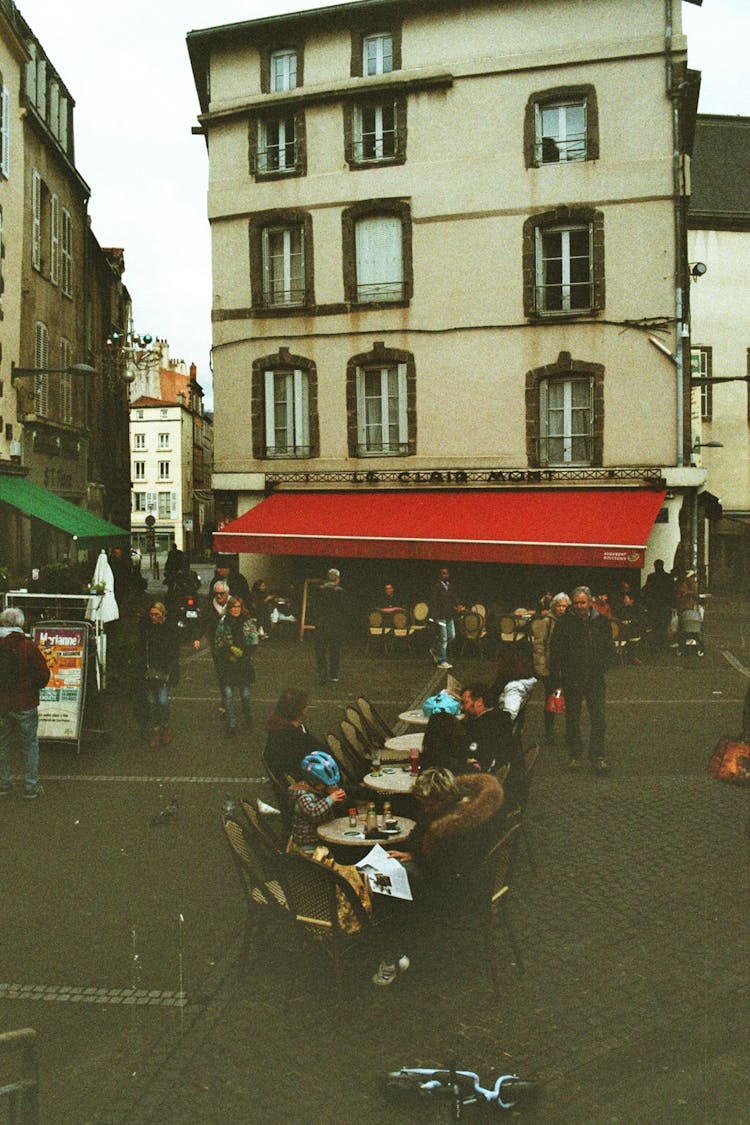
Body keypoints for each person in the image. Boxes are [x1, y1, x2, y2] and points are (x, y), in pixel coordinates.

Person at [372, 767, 505, 986]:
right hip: (462, 880)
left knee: (383, 885)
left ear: (445, 797)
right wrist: (414, 854)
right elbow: (424, 843)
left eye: (430, 804)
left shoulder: (452, 827)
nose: (426, 808)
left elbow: (442, 868)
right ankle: (392, 942)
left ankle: (391, 955)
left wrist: (414, 859)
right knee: (386, 877)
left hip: (455, 892)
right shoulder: (467, 809)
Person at [550, 585, 614, 775]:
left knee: (599, 718)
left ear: (590, 601)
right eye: (576, 603)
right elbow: (555, 651)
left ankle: (598, 755)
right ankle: (575, 756)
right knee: (572, 719)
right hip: (572, 678)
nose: (580, 606)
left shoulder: (601, 622)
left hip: (594, 677)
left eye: (583, 602)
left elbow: (608, 648)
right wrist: (558, 678)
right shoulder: (564, 623)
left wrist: (602, 666)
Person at [0, 607, 50, 799]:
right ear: (20, 624)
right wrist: (32, 688)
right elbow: (43, 675)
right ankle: (30, 786)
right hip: (25, 702)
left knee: (2, 744)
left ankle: (3, 783)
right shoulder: (28, 646)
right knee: (29, 744)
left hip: (2, 704)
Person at [460, 681, 529, 805]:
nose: (462, 708)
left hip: (494, 789)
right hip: (509, 783)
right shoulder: (498, 718)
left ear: (479, 702)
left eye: (465, 702)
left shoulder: (483, 727)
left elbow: (479, 762)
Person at [138, 601, 181, 748]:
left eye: (157, 615)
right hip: (149, 672)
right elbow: (142, 649)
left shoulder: (168, 630)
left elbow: (174, 652)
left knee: (162, 701)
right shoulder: (147, 630)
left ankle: (165, 727)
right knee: (151, 702)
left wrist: (171, 671)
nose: (153, 617)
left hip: (164, 671)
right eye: (151, 615)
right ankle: (156, 730)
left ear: (163, 615)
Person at [530, 592, 571, 744]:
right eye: (559, 606)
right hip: (551, 669)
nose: (562, 609)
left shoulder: (570, 622)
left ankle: (569, 732)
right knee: (551, 699)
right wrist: (542, 669)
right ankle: (549, 732)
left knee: (569, 701)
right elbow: (539, 646)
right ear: (554, 607)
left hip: (566, 669)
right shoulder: (547, 622)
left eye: (565, 606)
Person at [215, 596, 258, 736]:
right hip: (228, 663)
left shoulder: (247, 622)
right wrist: (229, 652)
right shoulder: (223, 622)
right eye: (233, 607)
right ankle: (231, 724)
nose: (235, 609)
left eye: (238, 606)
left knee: (245, 694)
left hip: (243, 663)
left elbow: (254, 641)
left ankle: (248, 716)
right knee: (228, 695)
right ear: (229, 608)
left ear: (242, 607)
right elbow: (218, 642)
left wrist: (243, 652)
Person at [289, 751, 347, 852]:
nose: (327, 787)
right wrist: (330, 799)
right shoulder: (303, 797)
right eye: (324, 784)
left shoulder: (319, 789)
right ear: (312, 781)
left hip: (323, 836)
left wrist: (338, 799)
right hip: (309, 845)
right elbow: (314, 813)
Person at [264, 689, 327, 783]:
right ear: (299, 711)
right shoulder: (291, 736)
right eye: (305, 706)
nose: (307, 708)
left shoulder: (281, 726)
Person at [194, 579, 230, 704]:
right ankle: (226, 700)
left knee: (230, 672)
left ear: (227, 593)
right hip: (216, 644)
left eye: (222, 593)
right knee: (221, 672)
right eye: (216, 594)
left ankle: (228, 696)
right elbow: (202, 622)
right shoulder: (210, 606)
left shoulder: (234, 605)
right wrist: (197, 637)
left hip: (232, 644)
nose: (219, 596)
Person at [313, 568, 348, 683]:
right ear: (337, 579)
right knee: (335, 650)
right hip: (336, 625)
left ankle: (322, 674)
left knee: (321, 651)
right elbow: (344, 610)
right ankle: (334, 674)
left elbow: (315, 607)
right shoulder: (340, 591)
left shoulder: (319, 590)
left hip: (321, 624)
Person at [429, 566, 465, 670]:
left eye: (447, 573)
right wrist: (435, 617)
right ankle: (442, 660)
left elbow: (454, 598)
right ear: (440, 575)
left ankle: (435, 649)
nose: (446, 575)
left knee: (452, 636)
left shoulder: (449, 586)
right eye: (443, 574)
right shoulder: (437, 587)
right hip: (440, 616)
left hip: (449, 615)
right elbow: (433, 602)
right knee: (443, 638)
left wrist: (458, 606)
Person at [643, 559, 675, 648]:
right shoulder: (668, 577)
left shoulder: (651, 577)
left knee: (655, 625)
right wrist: (673, 605)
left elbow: (647, 591)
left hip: (653, 606)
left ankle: (655, 644)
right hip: (665, 605)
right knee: (664, 625)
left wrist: (646, 604)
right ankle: (663, 644)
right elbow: (672, 592)